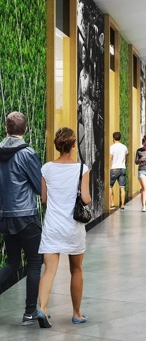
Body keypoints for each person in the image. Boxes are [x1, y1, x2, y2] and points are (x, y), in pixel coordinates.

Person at [37, 127, 91, 327]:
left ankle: (42, 308)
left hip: (52, 226)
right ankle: (76, 313)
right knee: (76, 270)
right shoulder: (81, 169)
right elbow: (86, 199)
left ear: (58, 145)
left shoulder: (46, 168)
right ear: (74, 145)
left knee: (49, 270)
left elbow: (44, 199)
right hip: (73, 227)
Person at [0, 111, 45, 327]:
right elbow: (38, 186)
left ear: (6, 129)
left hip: (5, 216)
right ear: (25, 129)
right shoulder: (28, 153)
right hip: (26, 215)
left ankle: (30, 313)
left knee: (12, 262)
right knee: (34, 263)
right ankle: (29, 313)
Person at [109, 131, 128, 210]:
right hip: (122, 168)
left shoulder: (112, 147)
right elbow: (126, 159)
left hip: (114, 169)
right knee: (122, 187)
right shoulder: (124, 147)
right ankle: (122, 205)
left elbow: (110, 158)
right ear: (120, 138)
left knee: (110, 186)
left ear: (113, 138)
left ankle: (112, 203)